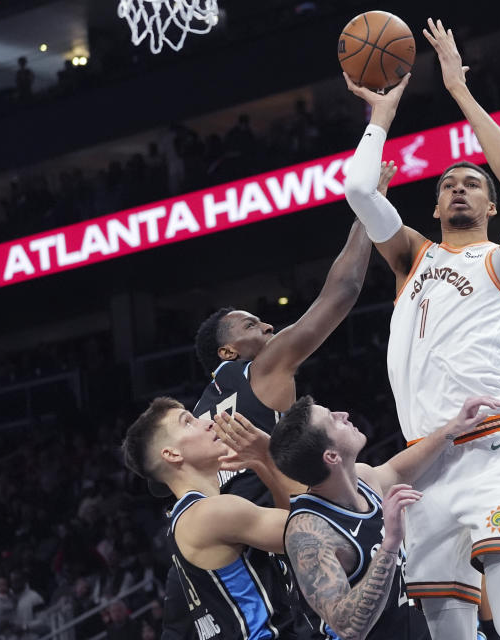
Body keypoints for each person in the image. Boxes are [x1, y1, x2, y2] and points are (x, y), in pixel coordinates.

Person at [342, 18, 500, 640]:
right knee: (449, 636)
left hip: (492, 450)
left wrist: (460, 92)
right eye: (448, 185)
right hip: (425, 465)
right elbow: (359, 186)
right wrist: (381, 114)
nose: (459, 189)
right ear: (435, 207)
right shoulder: (413, 256)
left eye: (472, 185)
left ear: (490, 207)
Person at [160, 164, 396, 639]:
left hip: (215, 569)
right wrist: (365, 209)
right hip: (269, 555)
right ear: (227, 353)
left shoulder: (205, 411)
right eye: (251, 325)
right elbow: (342, 292)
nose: (268, 328)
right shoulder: (260, 374)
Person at [271, 395, 500, 639]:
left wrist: (453, 428)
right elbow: (348, 627)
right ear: (331, 456)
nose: (344, 414)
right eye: (332, 419)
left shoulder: (363, 479)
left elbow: (398, 470)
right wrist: (390, 544)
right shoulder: (308, 532)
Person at [122, 400, 298, 639]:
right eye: (188, 422)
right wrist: (269, 453)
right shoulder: (209, 513)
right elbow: (312, 529)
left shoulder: (192, 516)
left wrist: (264, 465)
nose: (208, 423)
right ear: (172, 454)